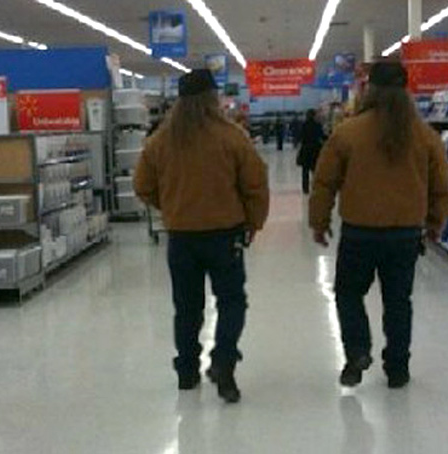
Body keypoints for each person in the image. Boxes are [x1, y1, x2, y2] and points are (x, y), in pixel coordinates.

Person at [308, 61, 448, 389]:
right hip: (405, 233)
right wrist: (436, 220)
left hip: (359, 232)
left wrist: (319, 221)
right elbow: (440, 184)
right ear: (405, 92)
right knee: (398, 301)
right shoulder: (424, 135)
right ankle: (397, 368)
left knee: (348, 294)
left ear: (369, 89)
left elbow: (325, 182)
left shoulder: (347, 132)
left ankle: (357, 352)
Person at [134, 69, 270, 404]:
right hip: (225, 235)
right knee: (232, 301)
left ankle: (186, 371)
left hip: (181, 237)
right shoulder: (232, 136)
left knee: (187, 307)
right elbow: (255, 185)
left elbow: (142, 186)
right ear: (213, 98)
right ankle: (223, 361)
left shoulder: (160, 141)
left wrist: (171, 205)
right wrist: (253, 222)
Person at [297, 109, 327, 194]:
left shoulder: (303, 125)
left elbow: (300, 137)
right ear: (313, 116)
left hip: (305, 150)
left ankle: (305, 188)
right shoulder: (317, 125)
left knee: (305, 171)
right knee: (315, 169)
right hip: (315, 149)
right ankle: (315, 186)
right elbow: (322, 136)